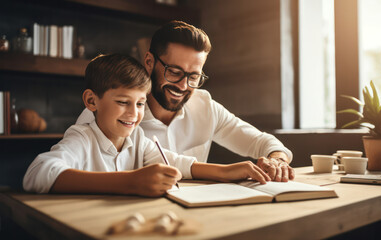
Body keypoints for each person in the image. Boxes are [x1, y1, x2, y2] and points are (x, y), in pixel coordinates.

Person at [23, 54, 270, 197]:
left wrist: (225, 172)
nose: (133, 113)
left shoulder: (138, 138)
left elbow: (174, 162)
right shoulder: (83, 137)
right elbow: (37, 174)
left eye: (141, 104)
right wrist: (130, 182)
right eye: (123, 102)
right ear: (91, 101)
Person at [76, 21, 295, 182]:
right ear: (150, 62)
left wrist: (278, 160)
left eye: (194, 77)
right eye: (174, 72)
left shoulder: (205, 107)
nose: (183, 85)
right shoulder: (109, 115)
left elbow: (262, 142)